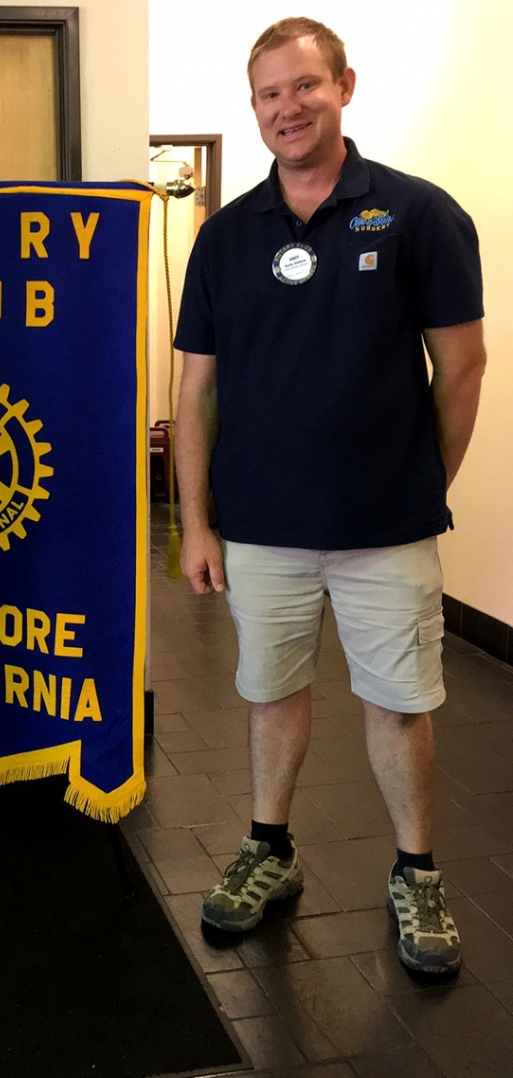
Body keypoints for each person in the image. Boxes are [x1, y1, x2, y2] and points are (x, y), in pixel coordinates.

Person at [173, 18, 486, 975]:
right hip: (262, 528)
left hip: (385, 528)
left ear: (344, 85)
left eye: (303, 87)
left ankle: (416, 872)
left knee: (398, 704)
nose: (285, 108)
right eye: (267, 94)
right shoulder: (226, 235)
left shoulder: (420, 215)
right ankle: (270, 851)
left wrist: (417, 481)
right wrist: (195, 522)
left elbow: (464, 364)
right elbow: (195, 388)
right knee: (271, 697)